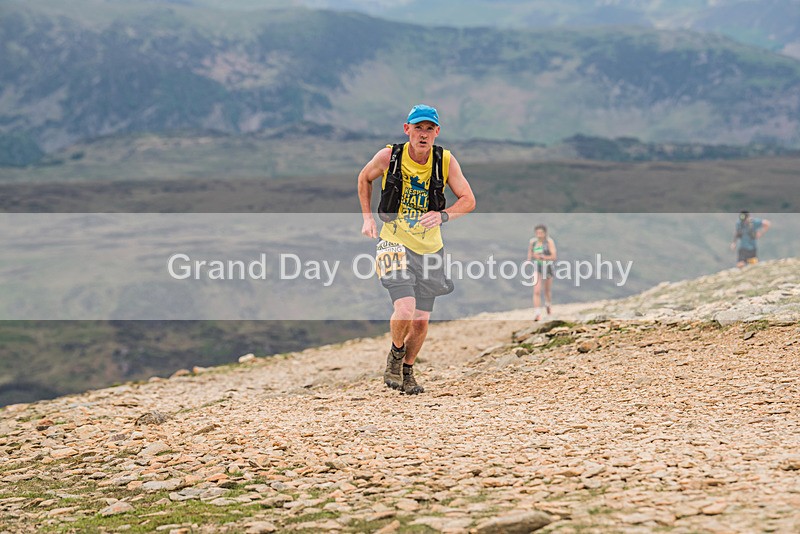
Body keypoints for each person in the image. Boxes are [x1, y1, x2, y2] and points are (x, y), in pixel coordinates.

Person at [357, 104, 476, 395]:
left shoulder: (445, 161)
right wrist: (367, 218)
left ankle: (407, 371)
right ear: (406, 129)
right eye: (418, 128)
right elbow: (364, 178)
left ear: (437, 132)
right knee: (406, 307)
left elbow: (468, 200)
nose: (423, 134)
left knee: (421, 320)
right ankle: (395, 357)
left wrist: (444, 215)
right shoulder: (389, 157)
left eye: (429, 129)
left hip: (431, 249)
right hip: (394, 241)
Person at [527, 224, 557, 321]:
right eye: (537, 233)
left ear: (545, 233)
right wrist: (529, 260)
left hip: (547, 266)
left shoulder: (549, 242)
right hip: (537, 267)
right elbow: (530, 254)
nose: (539, 235)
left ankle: (548, 305)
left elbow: (553, 257)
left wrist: (544, 257)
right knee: (536, 290)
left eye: (541, 233)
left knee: (546, 290)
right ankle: (537, 313)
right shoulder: (533, 242)